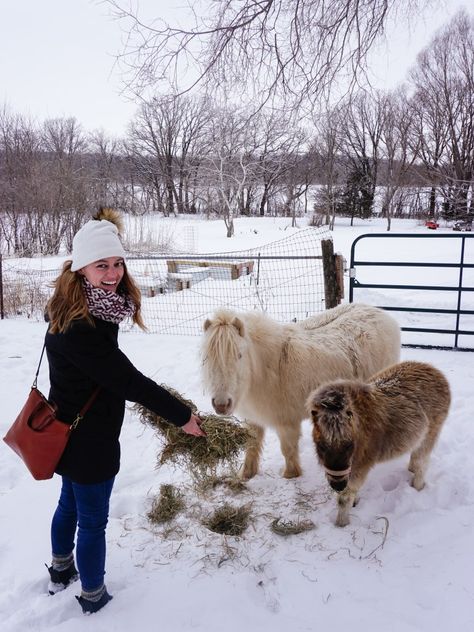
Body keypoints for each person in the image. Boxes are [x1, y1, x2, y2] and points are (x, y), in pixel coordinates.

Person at [44, 207, 205, 614]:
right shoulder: (82, 328)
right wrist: (182, 416)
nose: (113, 273)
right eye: (102, 265)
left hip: (66, 427)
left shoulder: (76, 306)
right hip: (88, 439)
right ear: (82, 268)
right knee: (92, 520)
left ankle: (62, 568)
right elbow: (129, 381)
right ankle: (94, 595)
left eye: (118, 263)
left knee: (69, 503)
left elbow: (107, 372)